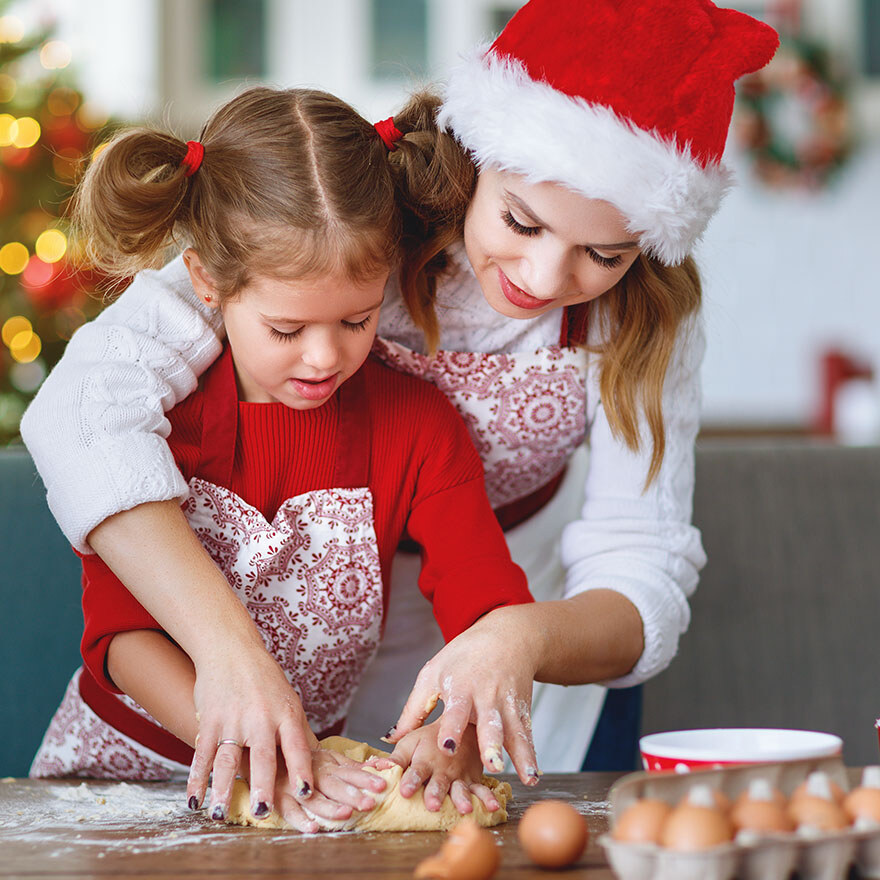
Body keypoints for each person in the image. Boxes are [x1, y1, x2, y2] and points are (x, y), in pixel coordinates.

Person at [21, 0, 778, 812]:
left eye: (605, 254)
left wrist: (512, 638)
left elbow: (642, 563)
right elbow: (86, 410)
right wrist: (230, 659)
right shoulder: (340, 222)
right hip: (246, 660)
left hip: (515, 624)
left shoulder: (633, 321)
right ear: (479, 156)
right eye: (520, 220)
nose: (547, 278)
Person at [27, 86, 536, 832]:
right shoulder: (153, 421)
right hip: (114, 775)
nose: (325, 356)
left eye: (356, 320)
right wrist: (251, 736)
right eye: (287, 327)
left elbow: (485, 606)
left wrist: (454, 719)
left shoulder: (419, 428)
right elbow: (119, 639)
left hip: (303, 773)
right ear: (206, 282)